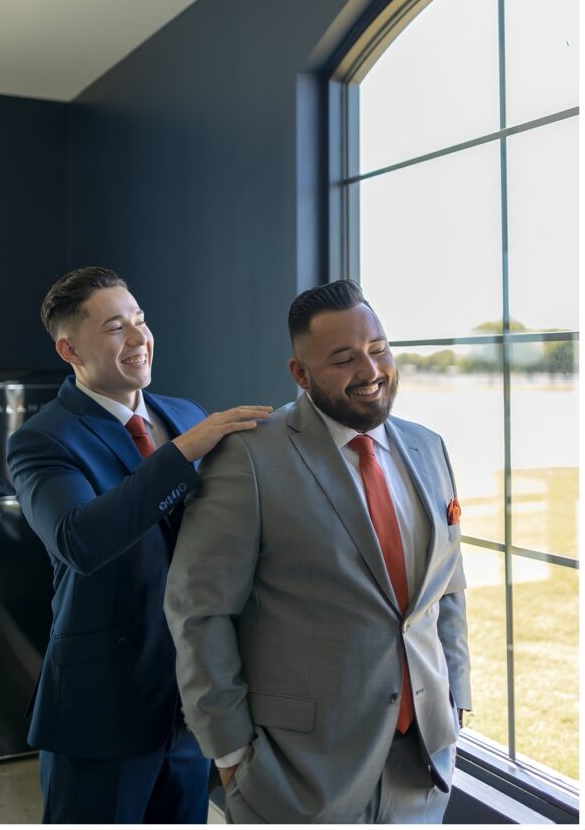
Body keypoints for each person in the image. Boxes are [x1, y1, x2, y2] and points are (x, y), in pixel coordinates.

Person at [165, 279, 471, 824]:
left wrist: (456, 694)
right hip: (297, 774)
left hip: (422, 762)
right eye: (343, 359)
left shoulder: (429, 447)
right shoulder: (247, 458)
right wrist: (231, 752)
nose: (371, 371)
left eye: (378, 349)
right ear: (300, 374)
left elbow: (447, 590)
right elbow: (200, 611)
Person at [6, 266, 271, 824]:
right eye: (115, 327)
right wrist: (185, 452)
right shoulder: (41, 440)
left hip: (192, 708)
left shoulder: (186, 414)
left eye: (141, 320)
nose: (139, 338)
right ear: (69, 348)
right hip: (101, 711)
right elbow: (79, 538)